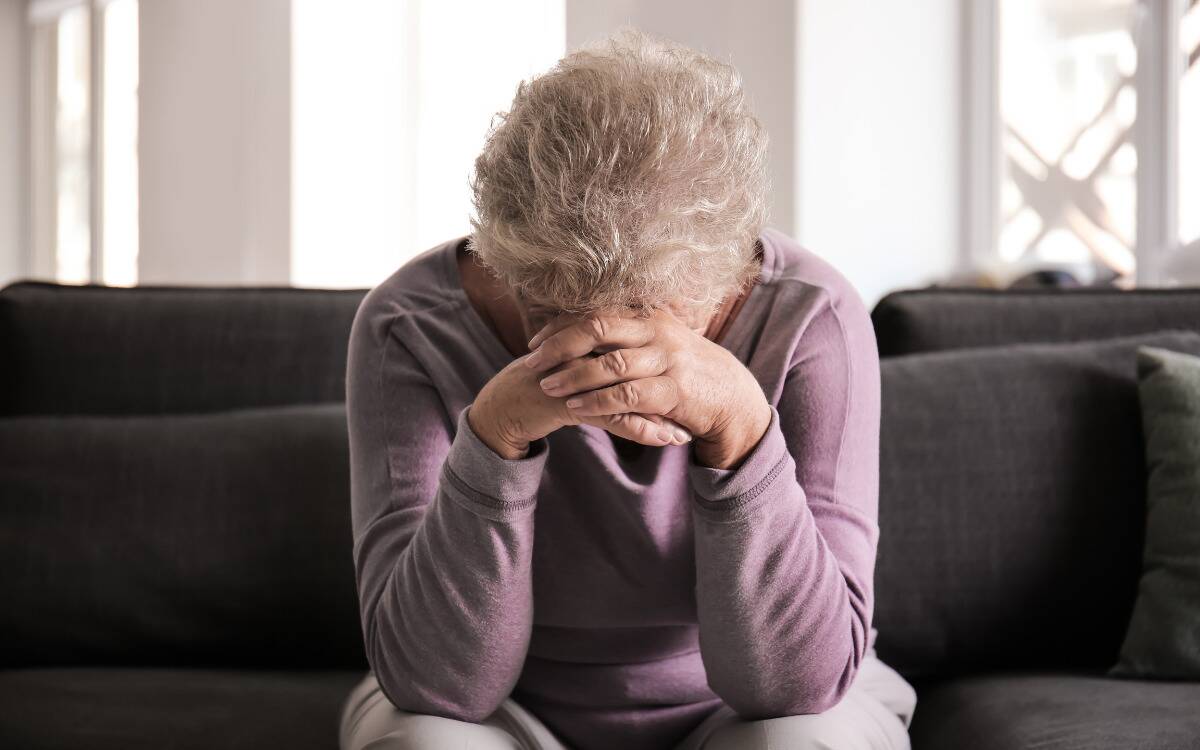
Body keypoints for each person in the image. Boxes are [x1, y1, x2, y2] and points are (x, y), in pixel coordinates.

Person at [339, 25, 917, 750]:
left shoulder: (812, 317)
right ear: (503, 254)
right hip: (504, 711)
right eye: (545, 309)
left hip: (743, 711)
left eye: (646, 318)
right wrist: (493, 438)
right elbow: (437, 685)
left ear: (729, 275)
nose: (598, 355)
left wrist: (739, 426)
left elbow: (796, 686)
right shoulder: (406, 325)